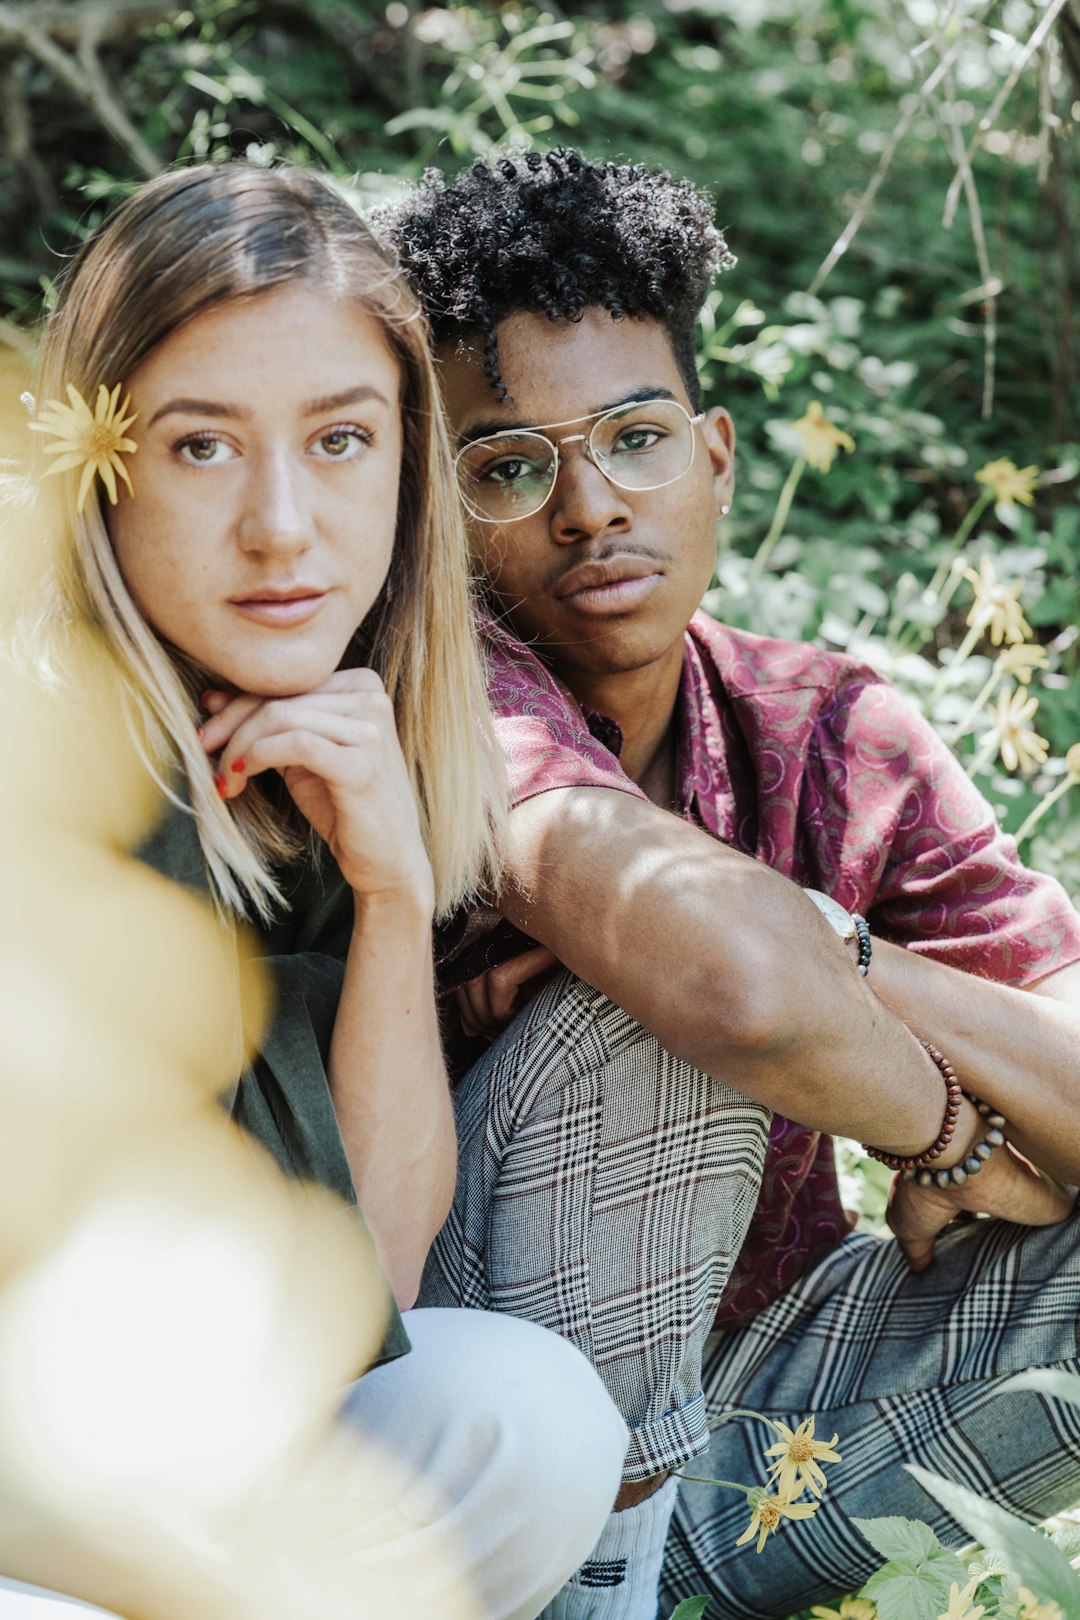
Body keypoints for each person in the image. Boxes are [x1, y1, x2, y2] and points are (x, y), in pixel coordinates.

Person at [376, 149, 1080, 1619]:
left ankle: (661, 1577)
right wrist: (943, 1121)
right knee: (659, 991)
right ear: (435, 518)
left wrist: (852, 958)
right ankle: (583, 1581)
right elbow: (733, 984)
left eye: (634, 437)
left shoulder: (827, 728)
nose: (587, 508)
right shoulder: (441, 705)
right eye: (508, 466)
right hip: (478, 1434)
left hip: (765, 1427)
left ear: (718, 456)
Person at [9, 161, 628, 1620]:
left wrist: (395, 889)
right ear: (94, 464)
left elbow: (377, 1286)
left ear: (410, 463)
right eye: (202, 449)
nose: (284, 526)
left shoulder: (315, 744)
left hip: (176, 1459)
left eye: (341, 441)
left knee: (521, 1416)